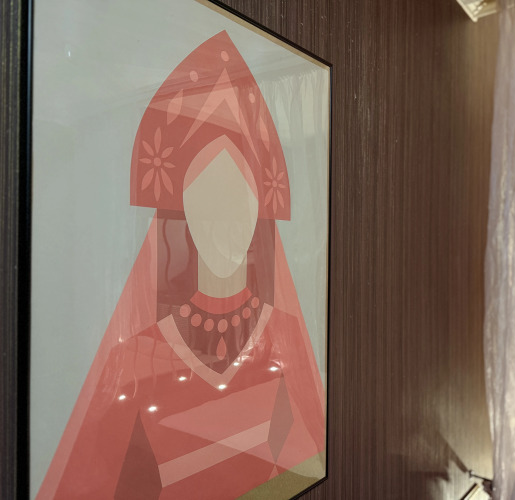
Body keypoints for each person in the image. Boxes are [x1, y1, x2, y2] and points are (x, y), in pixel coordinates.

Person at [37, 30, 326, 500]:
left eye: (238, 200)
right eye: (207, 198)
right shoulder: (135, 359)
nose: (224, 222)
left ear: (258, 213)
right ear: (184, 214)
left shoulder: (281, 338)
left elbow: (309, 463)